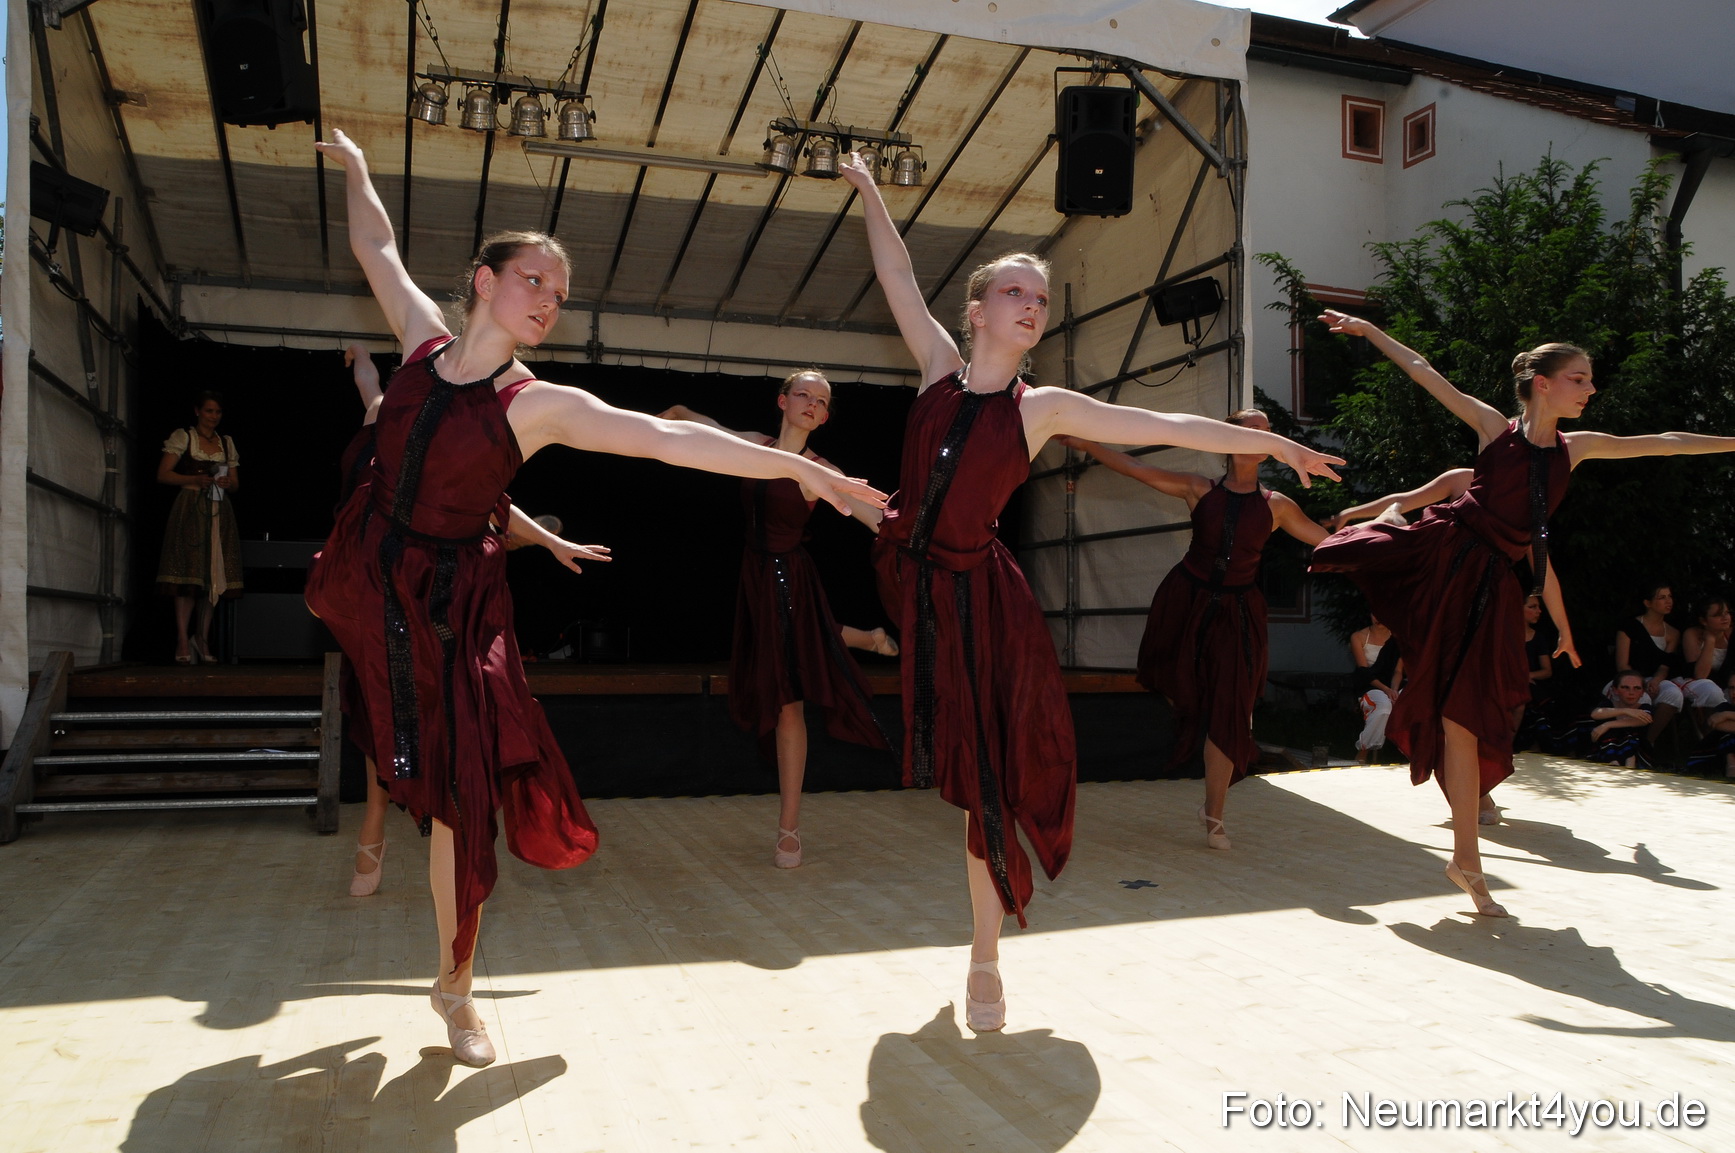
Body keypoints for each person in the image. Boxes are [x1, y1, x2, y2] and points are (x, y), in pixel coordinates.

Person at [305, 129, 885, 1067]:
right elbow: (376, 246)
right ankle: (390, 838)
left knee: (460, 795)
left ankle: (453, 989)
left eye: (560, 294)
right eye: (535, 279)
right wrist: (362, 173)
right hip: (368, 577)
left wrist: (807, 471)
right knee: (398, 752)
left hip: (455, 608)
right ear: (484, 281)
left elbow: (674, 444)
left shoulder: (538, 404)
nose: (549, 300)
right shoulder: (419, 342)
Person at [839, 152, 1342, 1031]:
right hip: (906, 577)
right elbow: (894, 272)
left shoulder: (1044, 408)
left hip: (979, 598)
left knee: (985, 778)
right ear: (978, 307)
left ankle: (985, 957)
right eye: (1015, 294)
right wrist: (871, 194)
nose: (1030, 308)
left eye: (1040, 301)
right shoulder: (934, 364)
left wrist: (1274, 448)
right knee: (848, 518)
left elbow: (1162, 424)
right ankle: (885, 643)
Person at [1311, 313, 1735, 918]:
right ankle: (1359, 582)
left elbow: (1663, 443)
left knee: (1463, 720)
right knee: (1362, 552)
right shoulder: (1492, 430)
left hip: (1493, 590)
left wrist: (1561, 628)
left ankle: (1465, 861)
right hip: (1448, 560)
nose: (1591, 390)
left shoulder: (1578, 449)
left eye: (1590, 381)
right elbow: (1423, 371)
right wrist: (1368, 330)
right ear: (1542, 382)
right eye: (1580, 379)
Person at [339, 347, 615, 899]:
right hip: (367, 576)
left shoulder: (442, 435)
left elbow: (491, 497)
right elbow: (369, 385)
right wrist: (361, 357)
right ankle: (374, 826)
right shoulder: (383, 416)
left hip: (421, 579)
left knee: (417, 711)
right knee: (378, 713)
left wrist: (552, 539)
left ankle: (426, 822)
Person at [1055, 417, 1329, 849]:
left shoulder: (1277, 506)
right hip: (1187, 601)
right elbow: (1133, 467)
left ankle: (1214, 813)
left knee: (1230, 709)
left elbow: (1326, 540)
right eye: (1248, 430)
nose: (1258, 438)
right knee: (1177, 686)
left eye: (1266, 432)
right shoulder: (1199, 489)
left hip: (1238, 613)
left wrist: (1384, 535)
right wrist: (1081, 438)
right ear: (1227, 440)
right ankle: (1187, 723)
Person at [660, 373, 896, 868]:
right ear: (783, 401)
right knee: (798, 656)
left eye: (822, 401)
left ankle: (789, 828)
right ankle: (864, 638)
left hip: (791, 579)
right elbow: (697, 423)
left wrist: (923, 536)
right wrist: (662, 422)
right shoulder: (755, 446)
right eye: (804, 395)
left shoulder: (823, 472)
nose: (812, 404)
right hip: (753, 580)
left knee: (790, 697)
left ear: (826, 417)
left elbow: (879, 518)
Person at [155, 392, 242, 664]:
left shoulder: (225, 443)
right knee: (188, 577)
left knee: (213, 577)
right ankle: (183, 639)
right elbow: (163, 474)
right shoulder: (185, 437)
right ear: (198, 411)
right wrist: (195, 478)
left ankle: (201, 638)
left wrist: (228, 484)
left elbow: (236, 484)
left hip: (218, 511)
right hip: (191, 508)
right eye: (209, 411)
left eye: (217, 412)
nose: (213, 416)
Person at [1611, 583, 1688, 747]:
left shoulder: (1673, 633)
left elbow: (1665, 664)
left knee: (1674, 694)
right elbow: (1622, 664)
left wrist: (1656, 680)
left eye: (1669, 596)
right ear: (1648, 603)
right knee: (1640, 696)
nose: (1668, 601)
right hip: (1629, 679)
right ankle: (1627, 742)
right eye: (1662, 597)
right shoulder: (1629, 626)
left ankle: (1648, 742)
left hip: (1654, 679)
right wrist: (1641, 684)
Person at [1350, 613, 1404, 765]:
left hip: (1391, 686)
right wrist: (1386, 690)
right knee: (1383, 707)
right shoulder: (1359, 637)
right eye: (1375, 612)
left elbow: (1398, 671)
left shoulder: (1398, 638)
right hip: (1369, 685)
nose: (1378, 616)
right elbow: (1363, 671)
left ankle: (1412, 753)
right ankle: (1363, 750)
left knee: (1412, 702)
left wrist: (1393, 690)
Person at [1677, 594, 1730, 734]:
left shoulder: (1731, 634)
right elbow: (1700, 674)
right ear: (1704, 621)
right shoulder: (1692, 634)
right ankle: (1712, 739)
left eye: (1727, 613)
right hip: (1696, 682)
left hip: (1725, 682)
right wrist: (1710, 641)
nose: (1725, 618)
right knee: (1712, 691)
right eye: (1718, 615)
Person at [1586, 671, 1652, 767]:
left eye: (1637, 688)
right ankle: (1613, 762)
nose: (1631, 693)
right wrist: (1625, 711)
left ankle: (1630, 762)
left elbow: (1644, 720)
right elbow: (1595, 714)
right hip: (1608, 749)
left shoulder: (1644, 707)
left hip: (1637, 754)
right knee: (1608, 734)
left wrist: (1607, 725)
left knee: (1630, 736)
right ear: (1615, 690)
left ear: (1642, 693)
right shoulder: (1609, 705)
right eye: (1625, 687)